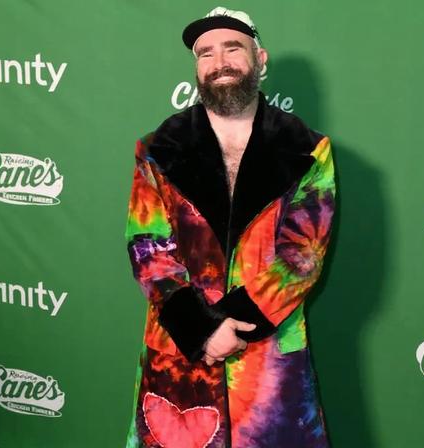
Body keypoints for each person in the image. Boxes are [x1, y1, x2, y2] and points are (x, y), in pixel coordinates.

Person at [124, 7, 334, 448]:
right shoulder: (158, 149)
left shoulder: (308, 150)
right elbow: (148, 248)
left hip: (267, 359)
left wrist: (232, 325)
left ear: (260, 58)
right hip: (181, 353)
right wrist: (201, 329)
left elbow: (303, 255)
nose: (219, 62)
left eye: (232, 48)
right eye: (206, 53)